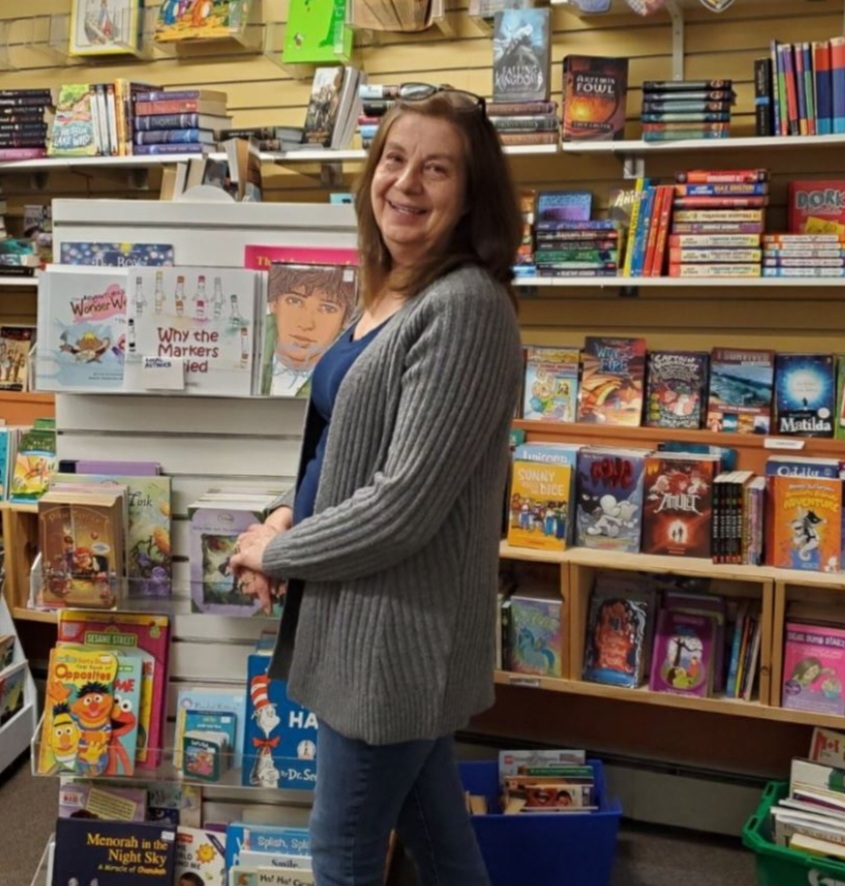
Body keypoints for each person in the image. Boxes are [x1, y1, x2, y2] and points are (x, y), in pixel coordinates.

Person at [229, 83, 524, 886]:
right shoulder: (390, 291)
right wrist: (283, 514)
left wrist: (279, 551)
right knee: (439, 844)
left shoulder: (463, 307)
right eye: (394, 159)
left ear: (470, 196)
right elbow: (341, 445)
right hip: (367, 624)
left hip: (396, 639)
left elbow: (401, 507)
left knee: (343, 856)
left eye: (436, 169)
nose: (406, 183)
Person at [266, 263, 357, 396]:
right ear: (274, 303)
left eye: (327, 308)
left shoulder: (353, 367)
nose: (306, 324)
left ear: (345, 320)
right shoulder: (249, 333)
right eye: (294, 301)